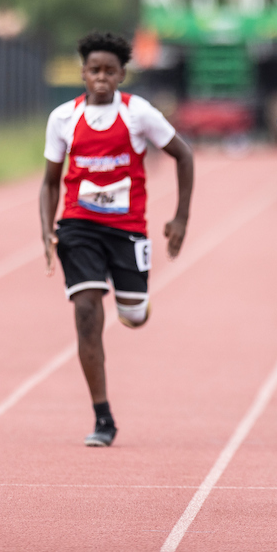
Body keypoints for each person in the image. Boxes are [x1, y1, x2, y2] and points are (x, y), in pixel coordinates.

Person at [39, 32, 194, 447]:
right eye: (94, 70)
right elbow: (50, 182)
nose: (102, 78)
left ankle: (135, 302)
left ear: (122, 74)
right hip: (78, 225)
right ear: (83, 74)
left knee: (134, 316)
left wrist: (180, 217)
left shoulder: (139, 114)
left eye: (110, 70)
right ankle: (102, 417)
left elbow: (184, 155)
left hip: (127, 229)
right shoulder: (63, 119)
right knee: (87, 313)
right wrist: (46, 227)